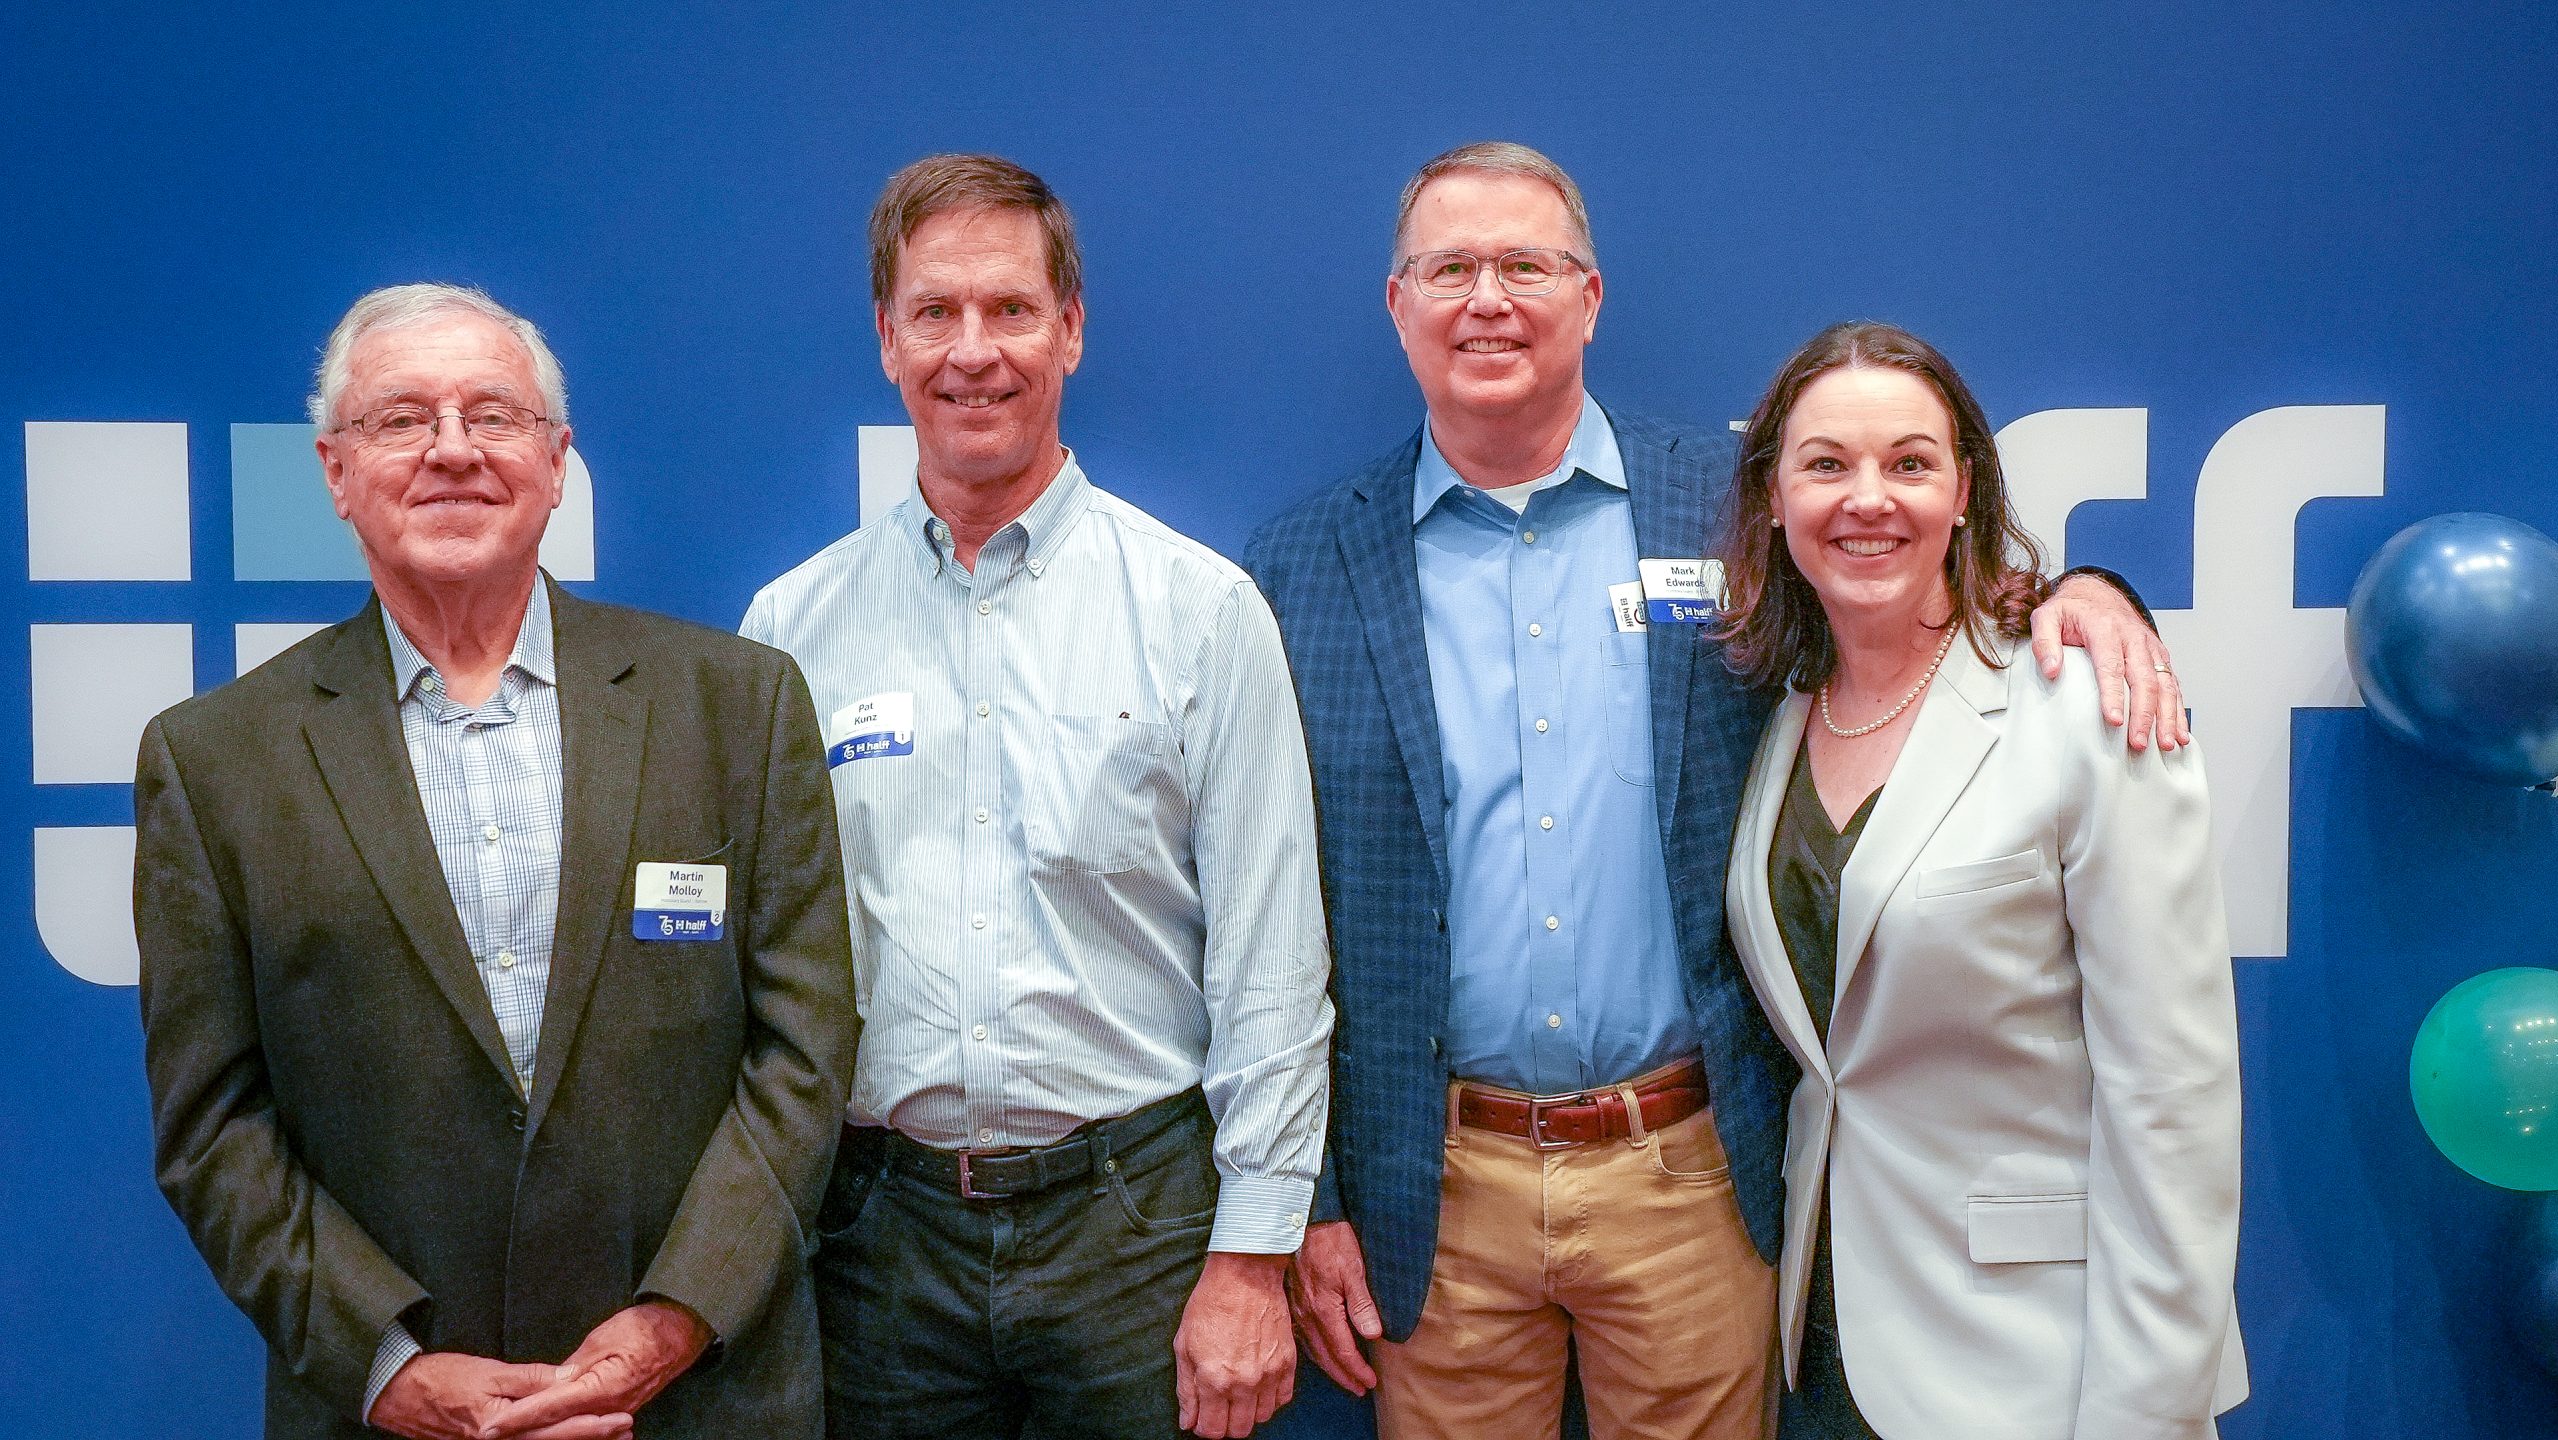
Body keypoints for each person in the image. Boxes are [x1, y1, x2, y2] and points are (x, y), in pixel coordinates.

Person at [1242, 142, 2182, 1440]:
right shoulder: (1301, 564)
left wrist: (2077, 593)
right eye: (1448, 269)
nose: (1488, 299)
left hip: (1689, 1173)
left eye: (1526, 265)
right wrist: (1311, 1204)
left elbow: (1897, 592)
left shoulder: (1726, 503)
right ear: (1397, 304)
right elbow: (1269, 921)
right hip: (1435, 1195)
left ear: (1590, 298)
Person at [135, 283, 859, 1440]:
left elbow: (805, 1052)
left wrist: (676, 1319)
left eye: (492, 415)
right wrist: (389, 1368)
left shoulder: (737, 705)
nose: (452, 451)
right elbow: (214, 1123)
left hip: (702, 1395)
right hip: (388, 1411)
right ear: (335, 471)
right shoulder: (216, 761)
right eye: (402, 419)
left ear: (556, 461)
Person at [741, 153, 1333, 1440]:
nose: (974, 351)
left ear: (1070, 329)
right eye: (935, 312)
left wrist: (1251, 1258)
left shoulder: (1199, 611)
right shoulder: (789, 630)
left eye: (1009, 308)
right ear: (886, 340)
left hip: (1136, 1224)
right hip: (878, 1236)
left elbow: (1272, 963)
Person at [1715, 321, 2246, 1438]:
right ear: (1773, 498)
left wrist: (2147, 1412)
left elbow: (2171, 1098)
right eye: (1826, 464)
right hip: (1821, 1341)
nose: (1868, 498)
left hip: (2032, 1356)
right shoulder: (1781, 719)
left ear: (1963, 492)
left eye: (1909, 463)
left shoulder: (2085, 707)